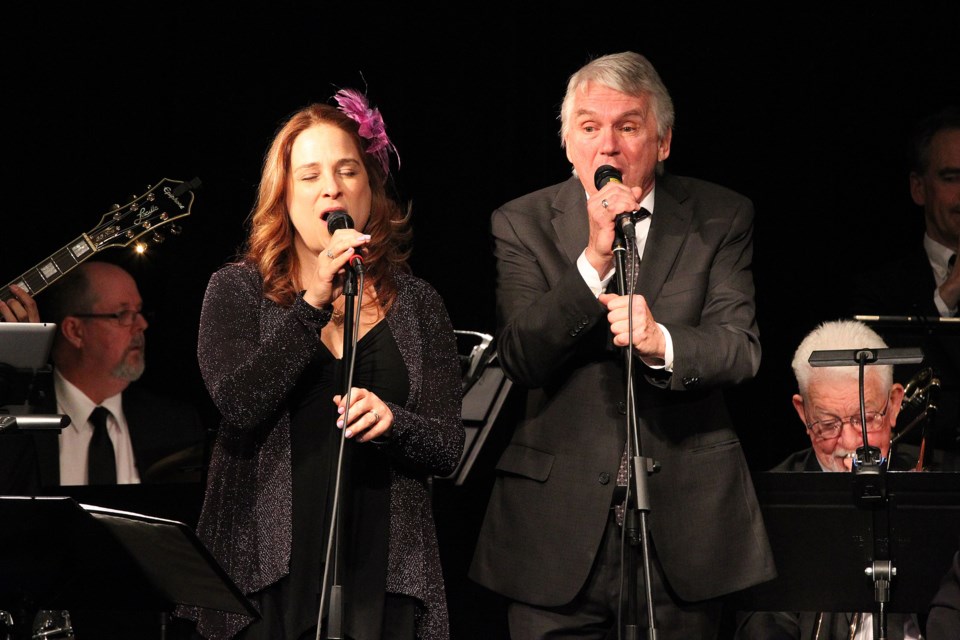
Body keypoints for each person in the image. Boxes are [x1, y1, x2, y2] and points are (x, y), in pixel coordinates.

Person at [468, 51, 775, 639]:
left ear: (661, 142)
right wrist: (593, 263)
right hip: (552, 538)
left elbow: (740, 348)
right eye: (589, 127)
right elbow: (520, 355)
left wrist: (659, 340)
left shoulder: (721, 215)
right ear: (567, 144)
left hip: (685, 532)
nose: (607, 146)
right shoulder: (521, 221)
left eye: (627, 126)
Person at [177, 89, 465, 640]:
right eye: (309, 175)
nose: (331, 186)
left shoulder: (419, 302)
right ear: (284, 195)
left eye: (346, 170)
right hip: (264, 567)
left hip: (383, 569)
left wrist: (393, 422)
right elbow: (240, 402)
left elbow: (448, 447)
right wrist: (312, 304)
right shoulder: (236, 289)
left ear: (369, 191)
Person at [734, 319, 958, 639]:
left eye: (865, 418)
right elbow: (762, 621)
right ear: (803, 413)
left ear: (894, 404)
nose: (851, 441)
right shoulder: (770, 499)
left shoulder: (946, 483)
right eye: (827, 423)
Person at [0, 261, 206, 490]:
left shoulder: (177, 425)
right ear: (75, 331)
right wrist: (19, 356)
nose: (142, 324)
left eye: (139, 312)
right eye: (123, 314)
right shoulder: (17, 417)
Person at [847, 105, 960, 453]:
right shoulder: (877, 291)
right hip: (927, 483)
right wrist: (947, 295)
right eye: (951, 177)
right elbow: (894, 402)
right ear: (918, 188)